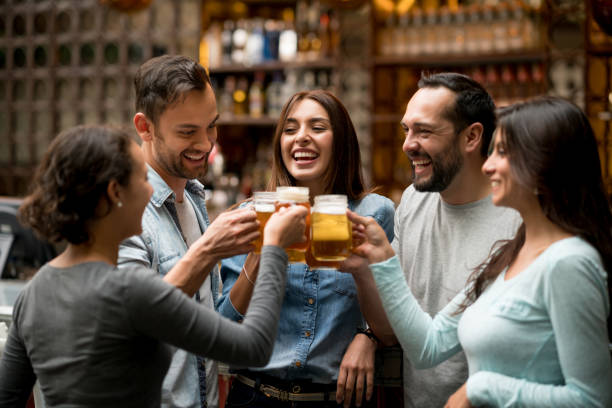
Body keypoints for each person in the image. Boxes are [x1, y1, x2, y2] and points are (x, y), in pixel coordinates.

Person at [0, 125, 309, 407]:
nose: (151, 191)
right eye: (144, 179)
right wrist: (274, 247)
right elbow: (253, 347)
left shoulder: (35, 291)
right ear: (115, 193)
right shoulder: (131, 289)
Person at [347, 96, 612, 407]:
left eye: (502, 152)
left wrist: (482, 389)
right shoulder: (510, 254)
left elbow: (592, 399)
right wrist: (382, 258)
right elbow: (427, 347)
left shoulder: (569, 263)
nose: (487, 165)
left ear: (544, 166)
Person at [343, 72, 521, 408]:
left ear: (472, 137)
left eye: (423, 131)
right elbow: (394, 329)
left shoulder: (518, 217)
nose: (407, 145)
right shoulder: (413, 200)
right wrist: (364, 273)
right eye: (406, 130)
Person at [217, 90, 395, 408]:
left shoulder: (372, 213)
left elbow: (391, 324)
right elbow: (224, 331)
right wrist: (263, 250)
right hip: (255, 397)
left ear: (341, 141)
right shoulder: (247, 214)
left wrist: (369, 337)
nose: (301, 138)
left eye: (317, 127)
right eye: (290, 129)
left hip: (337, 399)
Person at [118, 55, 255, 408]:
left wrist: (260, 256)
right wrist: (209, 249)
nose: (207, 144)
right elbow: (133, 324)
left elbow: (212, 324)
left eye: (211, 126)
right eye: (187, 132)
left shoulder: (192, 196)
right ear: (144, 127)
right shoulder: (123, 208)